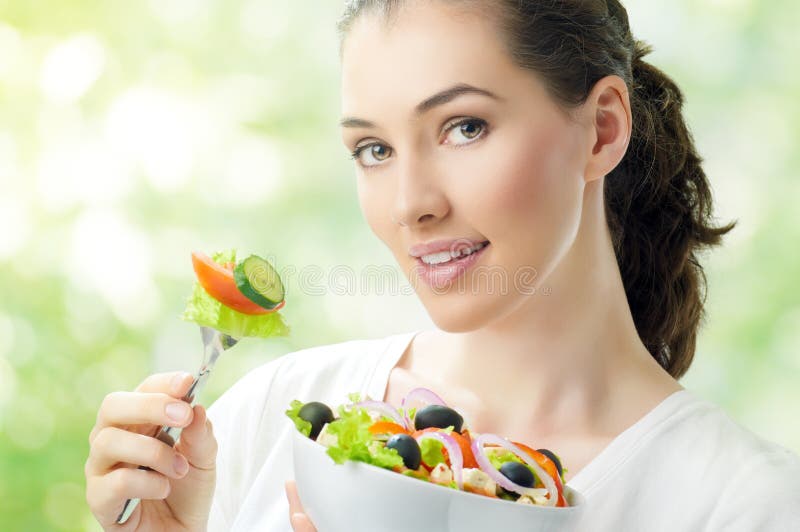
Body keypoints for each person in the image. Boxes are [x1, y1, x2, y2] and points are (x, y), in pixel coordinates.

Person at [85, 1, 800, 530]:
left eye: (464, 128)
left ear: (602, 129)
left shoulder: (744, 504)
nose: (409, 205)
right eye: (374, 150)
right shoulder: (271, 422)